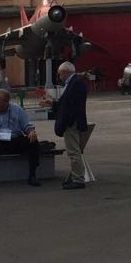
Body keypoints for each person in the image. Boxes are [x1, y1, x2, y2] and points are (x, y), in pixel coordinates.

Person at [54, 60, 90, 190]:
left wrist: (65, 122)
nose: (59, 77)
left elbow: (71, 106)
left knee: (74, 152)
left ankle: (78, 179)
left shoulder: (75, 84)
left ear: (65, 72)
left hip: (72, 123)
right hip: (73, 121)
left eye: (60, 74)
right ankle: (75, 176)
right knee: (74, 152)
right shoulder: (75, 83)